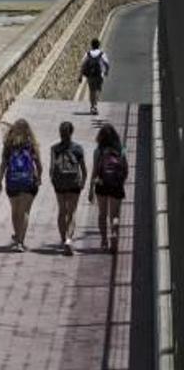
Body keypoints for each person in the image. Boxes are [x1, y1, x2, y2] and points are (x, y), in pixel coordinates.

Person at [0, 119, 43, 252]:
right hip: (28, 182)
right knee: (25, 211)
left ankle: (17, 237)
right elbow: (39, 164)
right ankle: (21, 242)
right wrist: (39, 177)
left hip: (12, 182)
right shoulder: (31, 144)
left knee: (15, 211)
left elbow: (3, 165)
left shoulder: (9, 145)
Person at [89, 123, 128, 254]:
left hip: (101, 184)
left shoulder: (98, 151)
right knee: (114, 214)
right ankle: (114, 233)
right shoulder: (122, 149)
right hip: (116, 185)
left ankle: (104, 241)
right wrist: (121, 181)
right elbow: (125, 169)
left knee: (102, 214)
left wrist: (90, 189)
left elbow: (94, 171)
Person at [50, 121, 87, 256]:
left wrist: (54, 182)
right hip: (73, 184)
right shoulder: (78, 148)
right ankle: (69, 239)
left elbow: (52, 169)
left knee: (62, 211)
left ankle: (62, 238)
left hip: (60, 184)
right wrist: (83, 182)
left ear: (60, 133)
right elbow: (83, 169)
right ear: (71, 132)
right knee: (71, 213)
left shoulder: (54, 149)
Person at [80, 38, 110, 115]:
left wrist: (80, 75)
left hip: (90, 75)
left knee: (91, 90)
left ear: (91, 45)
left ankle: (92, 106)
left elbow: (83, 64)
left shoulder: (88, 54)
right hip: (99, 75)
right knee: (98, 90)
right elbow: (107, 63)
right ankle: (95, 106)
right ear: (98, 45)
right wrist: (106, 71)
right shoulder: (102, 54)